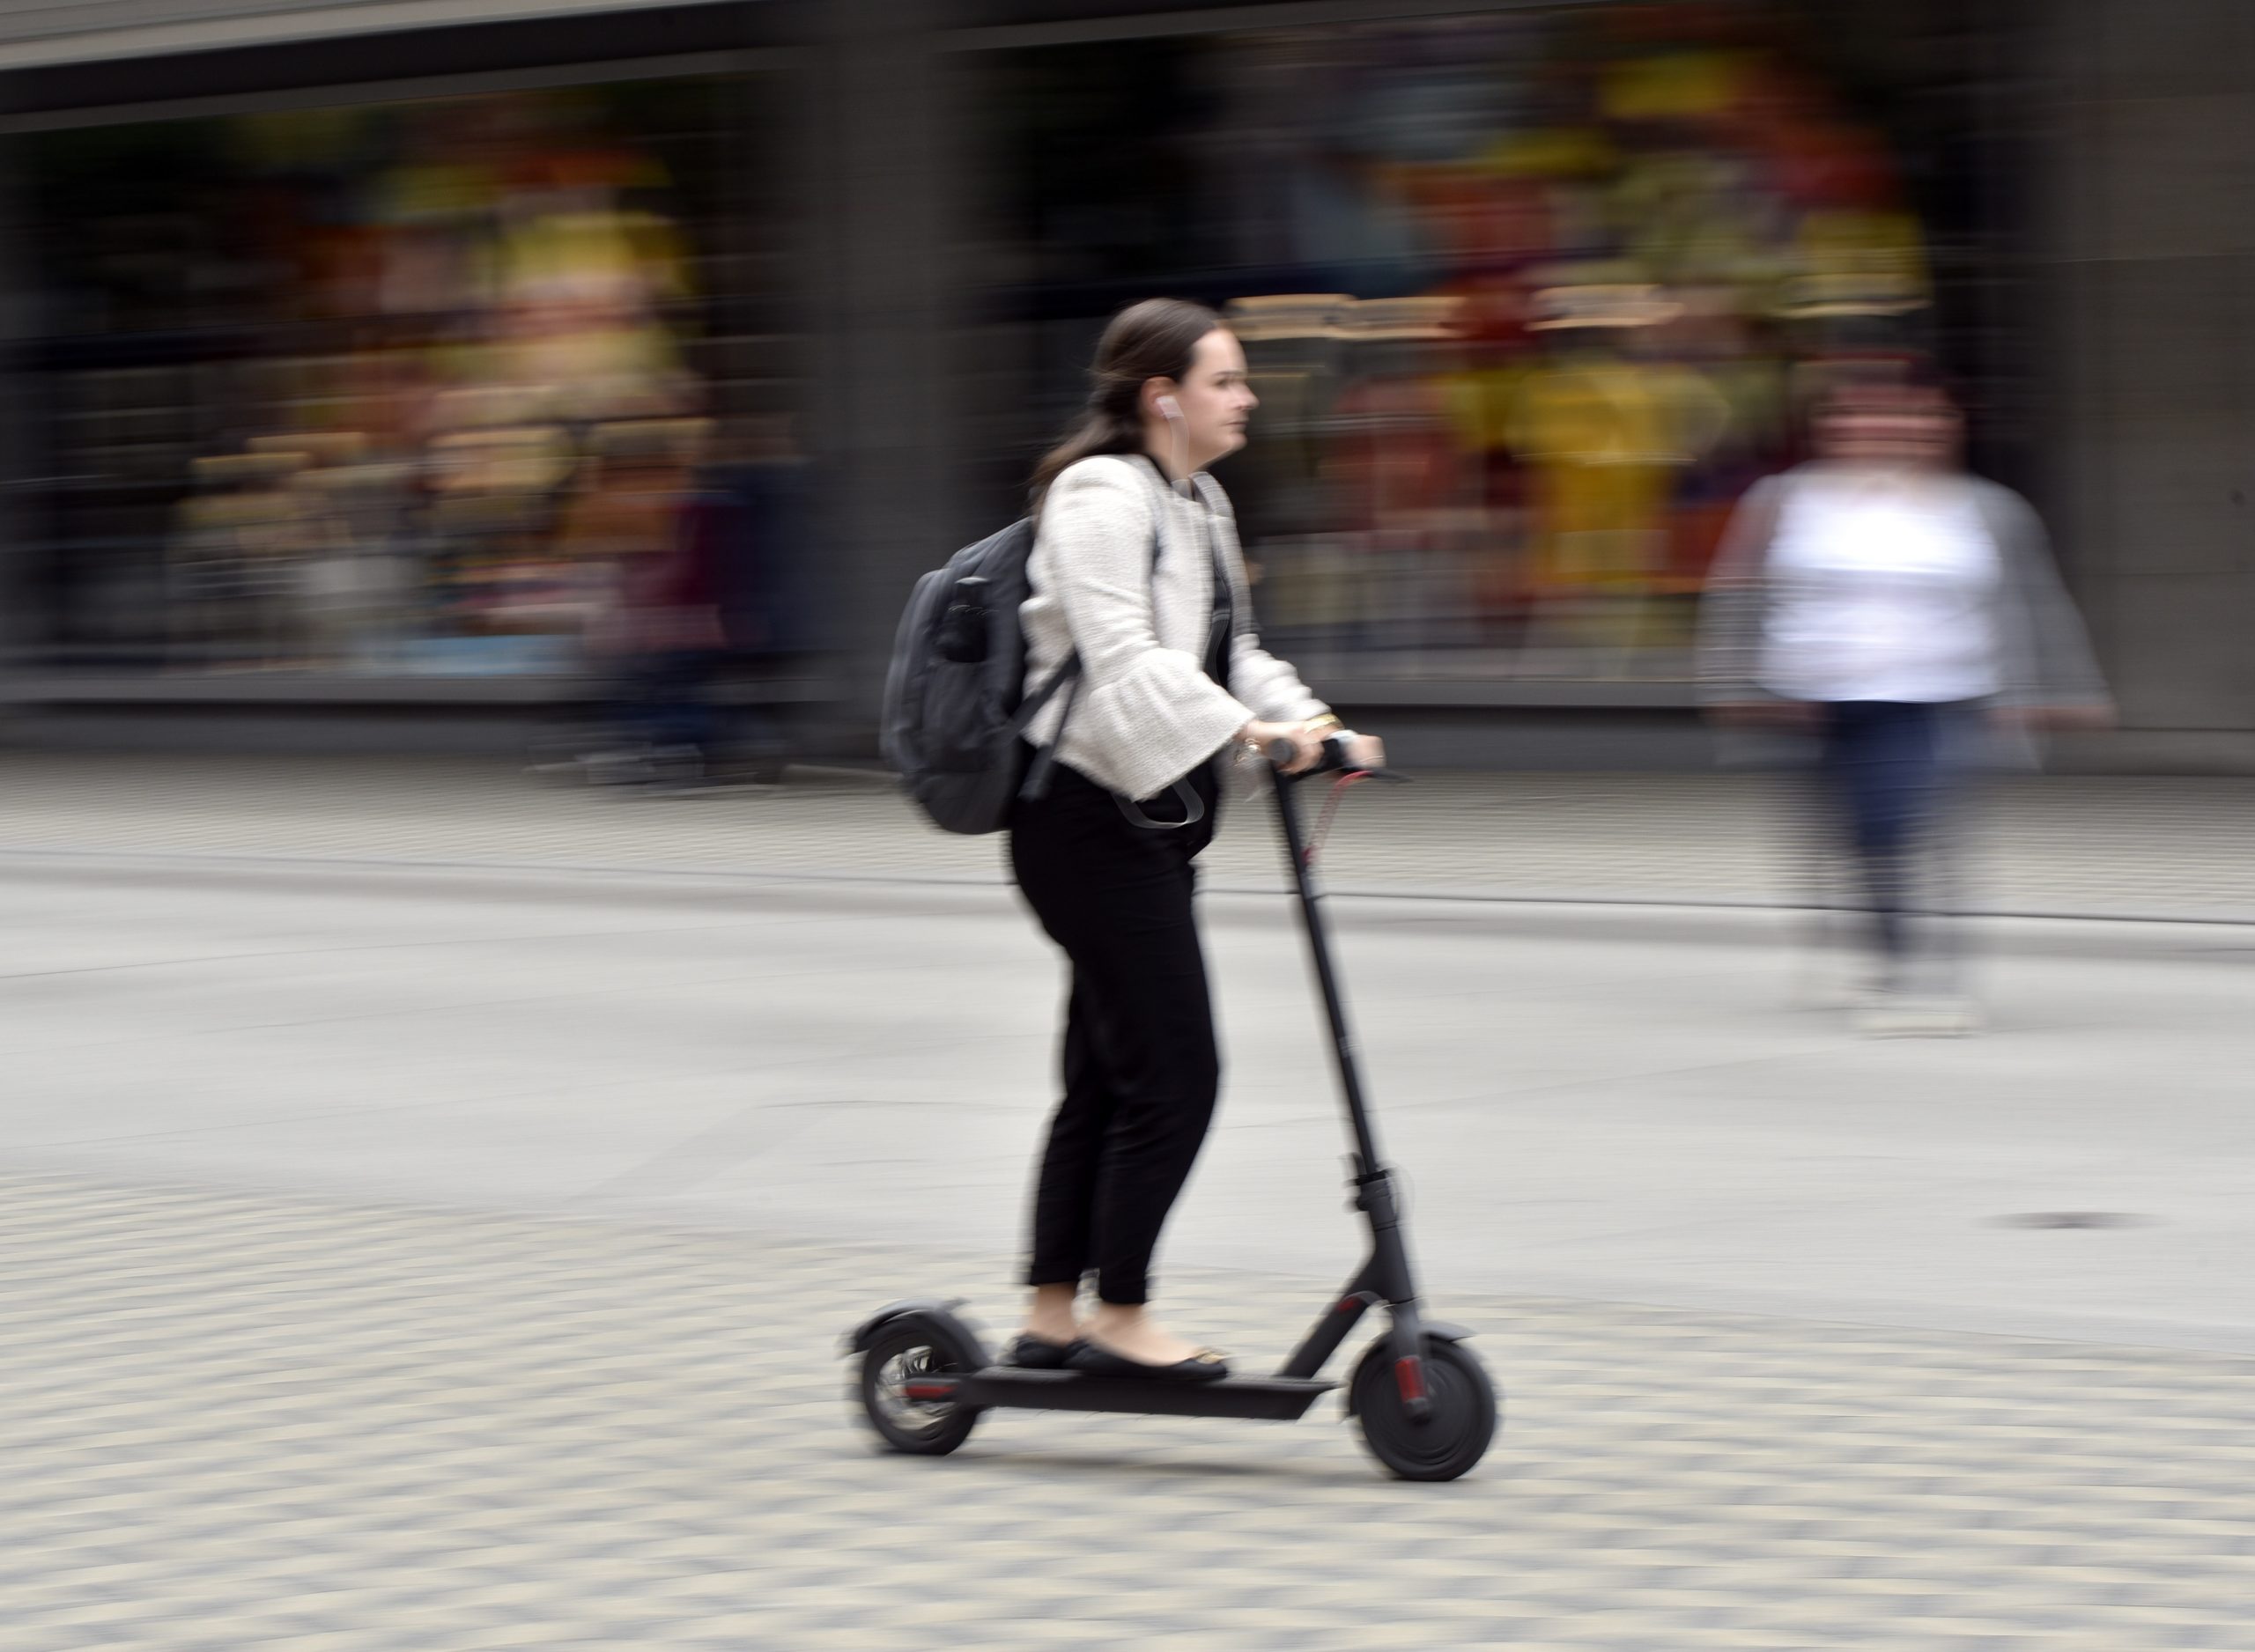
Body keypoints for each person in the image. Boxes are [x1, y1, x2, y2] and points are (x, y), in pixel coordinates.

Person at [1007, 299, 1382, 1380]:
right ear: (1161, 397)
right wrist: (1250, 735)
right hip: (1082, 818)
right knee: (1177, 1073)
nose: (1246, 398)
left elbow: (1233, 651)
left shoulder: (1198, 502)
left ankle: (1051, 1315)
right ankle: (1119, 1315)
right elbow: (1125, 658)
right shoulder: (1097, 494)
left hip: (1148, 823)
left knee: (1106, 1073)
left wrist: (1313, 723)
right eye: (1225, 380)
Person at [1698, 379, 2111, 1034]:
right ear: (1829, 428)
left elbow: (2034, 599)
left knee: (1911, 827)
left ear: (1944, 426)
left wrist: (2061, 691)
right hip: (1810, 697)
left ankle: (1924, 981)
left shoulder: (1985, 507)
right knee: (1853, 834)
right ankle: (1876, 949)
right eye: (1860, 415)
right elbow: (1737, 591)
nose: (1885, 428)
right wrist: (1732, 683)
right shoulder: (1783, 500)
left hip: (1939, 693)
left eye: (1912, 416)